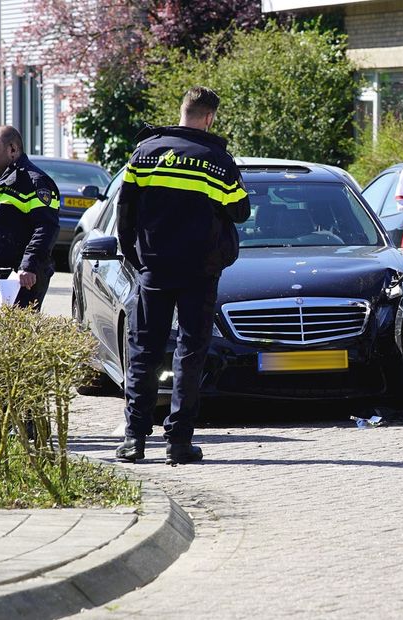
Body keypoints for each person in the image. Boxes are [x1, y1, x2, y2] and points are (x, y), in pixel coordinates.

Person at [115, 86, 250, 465]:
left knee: (143, 351)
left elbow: (125, 212)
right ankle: (178, 441)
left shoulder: (144, 154)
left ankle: (133, 440)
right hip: (199, 272)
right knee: (190, 353)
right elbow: (240, 211)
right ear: (209, 118)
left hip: (153, 269)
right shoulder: (216, 160)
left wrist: (136, 260)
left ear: (183, 111)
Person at [0, 126, 60, 310]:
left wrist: (28, 266)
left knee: (14, 335)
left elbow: (46, 228)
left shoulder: (35, 182)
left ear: (12, 149)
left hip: (21, 278)